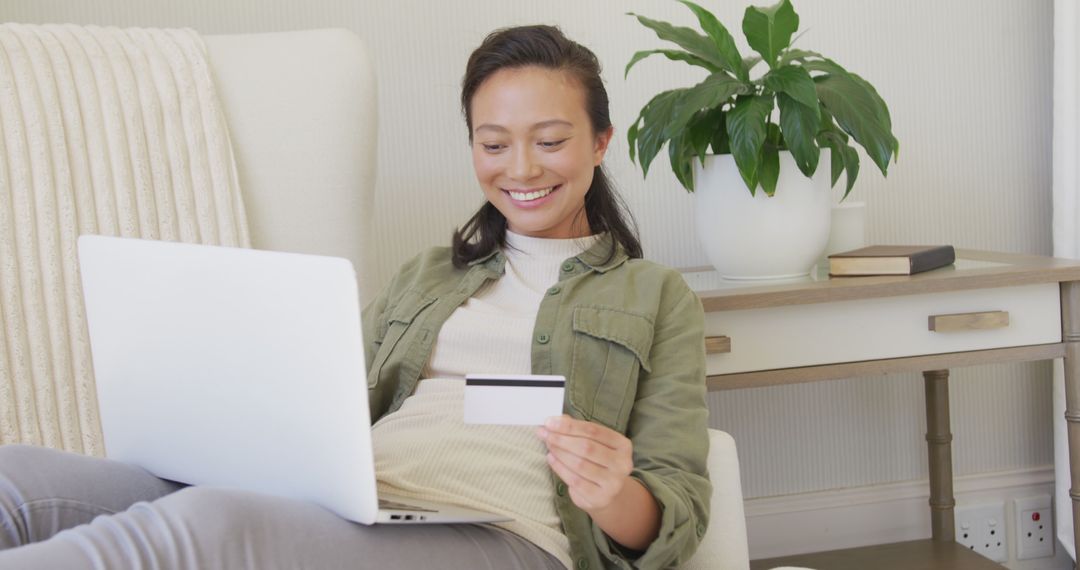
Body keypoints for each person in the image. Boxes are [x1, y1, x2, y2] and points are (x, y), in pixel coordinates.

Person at [0, 25, 709, 570]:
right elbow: (328, 405)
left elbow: (675, 508)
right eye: (493, 145)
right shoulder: (430, 273)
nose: (520, 168)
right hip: (362, 506)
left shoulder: (656, 294)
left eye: (549, 140)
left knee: (205, 529)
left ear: (600, 142)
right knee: (18, 479)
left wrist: (612, 493)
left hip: (505, 534)